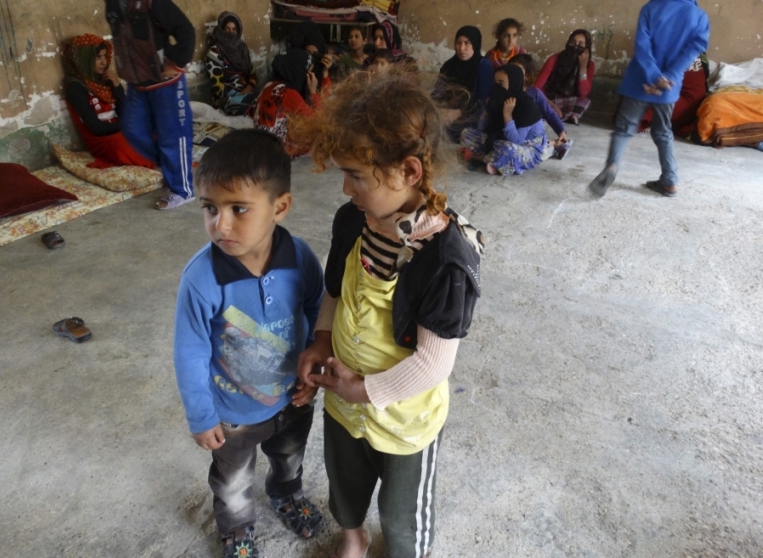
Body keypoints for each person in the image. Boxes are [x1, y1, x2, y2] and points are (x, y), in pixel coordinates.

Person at [291, 72, 483, 558]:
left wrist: (368, 390)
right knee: (345, 483)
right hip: (343, 400)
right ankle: (353, 535)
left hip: (404, 419)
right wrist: (320, 339)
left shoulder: (445, 256)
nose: (345, 186)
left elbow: (434, 363)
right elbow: (336, 289)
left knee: (402, 513)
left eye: (356, 175)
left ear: (409, 172)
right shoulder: (351, 220)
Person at [173, 129, 325, 558]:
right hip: (232, 414)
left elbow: (318, 308)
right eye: (210, 208)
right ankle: (236, 527)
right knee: (233, 480)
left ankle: (286, 493)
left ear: (280, 207)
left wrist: (313, 367)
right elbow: (190, 350)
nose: (220, 224)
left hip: (293, 397)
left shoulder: (300, 258)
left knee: (290, 456)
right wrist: (202, 417)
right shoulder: (201, 278)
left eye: (238, 209)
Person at [589, 0, 710, 198]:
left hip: (639, 82)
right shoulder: (699, 17)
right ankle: (670, 180)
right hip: (669, 87)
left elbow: (642, 47)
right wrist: (667, 77)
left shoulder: (651, 8)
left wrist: (653, 75)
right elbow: (694, 50)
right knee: (663, 131)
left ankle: (612, 166)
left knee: (624, 129)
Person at [97, 0, 197, 210]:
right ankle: (173, 167)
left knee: (172, 134)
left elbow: (185, 30)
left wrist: (177, 63)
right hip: (137, 84)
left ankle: (183, 188)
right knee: (131, 131)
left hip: (165, 83)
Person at [62, 33, 156, 169]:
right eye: (98, 57)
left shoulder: (104, 80)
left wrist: (117, 87)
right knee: (123, 142)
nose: (104, 62)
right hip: (102, 140)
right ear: (85, 59)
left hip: (118, 129)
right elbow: (97, 129)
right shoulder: (75, 87)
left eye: (104, 56)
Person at [461, 64, 547, 175]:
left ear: (513, 83)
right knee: (466, 133)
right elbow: (482, 129)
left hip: (527, 147)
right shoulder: (499, 98)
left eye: (501, 83)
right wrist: (487, 112)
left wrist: (507, 115)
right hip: (500, 140)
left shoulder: (527, 107)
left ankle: (481, 158)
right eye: (495, 82)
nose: (496, 87)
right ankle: (493, 159)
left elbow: (516, 141)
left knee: (508, 151)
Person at [250, 50, 321, 156]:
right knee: (321, 136)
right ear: (299, 71)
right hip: (279, 152)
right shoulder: (289, 94)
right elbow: (320, 121)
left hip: (263, 146)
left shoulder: (270, 85)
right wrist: (313, 92)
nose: (310, 77)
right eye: (308, 72)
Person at [433, 25, 494, 141]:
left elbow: (483, 101)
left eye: (467, 43)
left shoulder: (483, 66)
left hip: (474, 113)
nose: (461, 48)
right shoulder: (449, 66)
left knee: (448, 132)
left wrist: (459, 112)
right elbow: (437, 93)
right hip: (448, 111)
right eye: (458, 43)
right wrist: (439, 110)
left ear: (475, 45)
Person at [510, 53, 572, 159]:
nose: (513, 74)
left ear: (527, 76)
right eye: (510, 70)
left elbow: (549, 113)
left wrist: (560, 130)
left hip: (532, 136)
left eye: (518, 71)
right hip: (514, 132)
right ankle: (552, 144)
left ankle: (554, 146)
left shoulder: (535, 94)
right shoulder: (505, 91)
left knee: (534, 152)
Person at [534, 29, 596, 125]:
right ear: (568, 43)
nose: (575, 46)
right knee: (536, 102)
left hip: (569, 101)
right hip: (549, 98)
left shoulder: (589, 65)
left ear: (587, 48)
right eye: (572, 42)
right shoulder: (554, 59)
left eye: (581, 44)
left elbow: (583, 93)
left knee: (585, 101)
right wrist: (551, 104)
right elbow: (536, 88)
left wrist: (583, 67)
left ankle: (572, 116)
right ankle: (558, 115)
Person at [205, 11, 258, 116]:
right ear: (221, 30)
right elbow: (218, 87)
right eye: (227, 29)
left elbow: (252, 73)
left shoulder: (243, 49)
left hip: (248, 93)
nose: (231, 33)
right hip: (229, 100)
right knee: (255, 106)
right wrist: (217, 110)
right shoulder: (215, 53)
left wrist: (250, 87)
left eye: (234, 30)